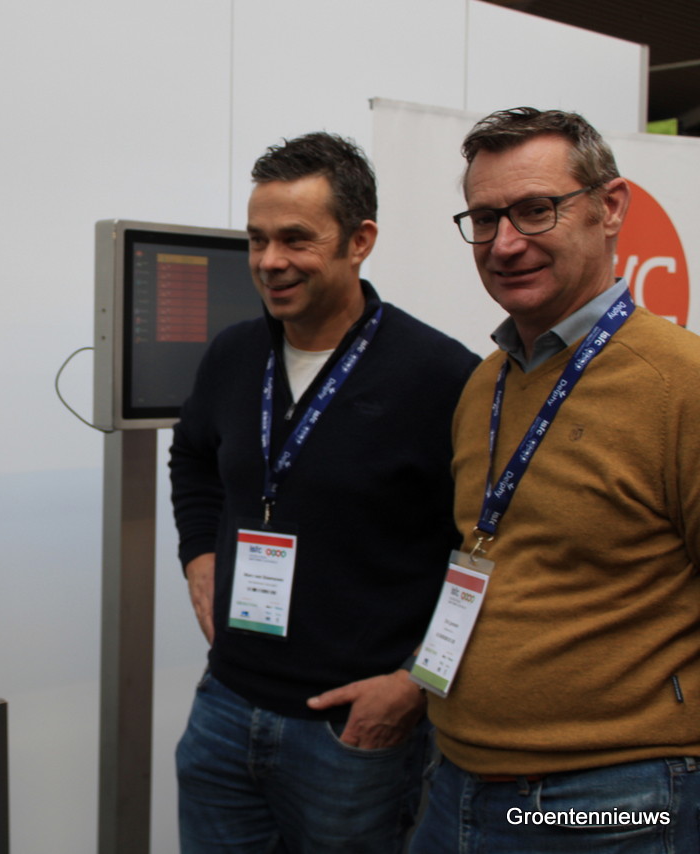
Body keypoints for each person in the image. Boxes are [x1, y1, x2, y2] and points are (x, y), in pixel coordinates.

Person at [170, 132, 479, 853]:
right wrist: (198, 555)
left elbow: (484, 555)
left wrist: (417, 683)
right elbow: (193, 459)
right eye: (257, 240)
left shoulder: (441, 376)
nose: (269, 261)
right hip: (226, 705)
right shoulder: (233, 354)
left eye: (295, 239)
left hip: (354, 734)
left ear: (359, 241)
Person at [409, 107, 700, 853]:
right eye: (485, 218)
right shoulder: (485, 384)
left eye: (536, 209)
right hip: (456, 777)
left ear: (611, 208)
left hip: (612, 798)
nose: (506, 243)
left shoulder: (680, 383)